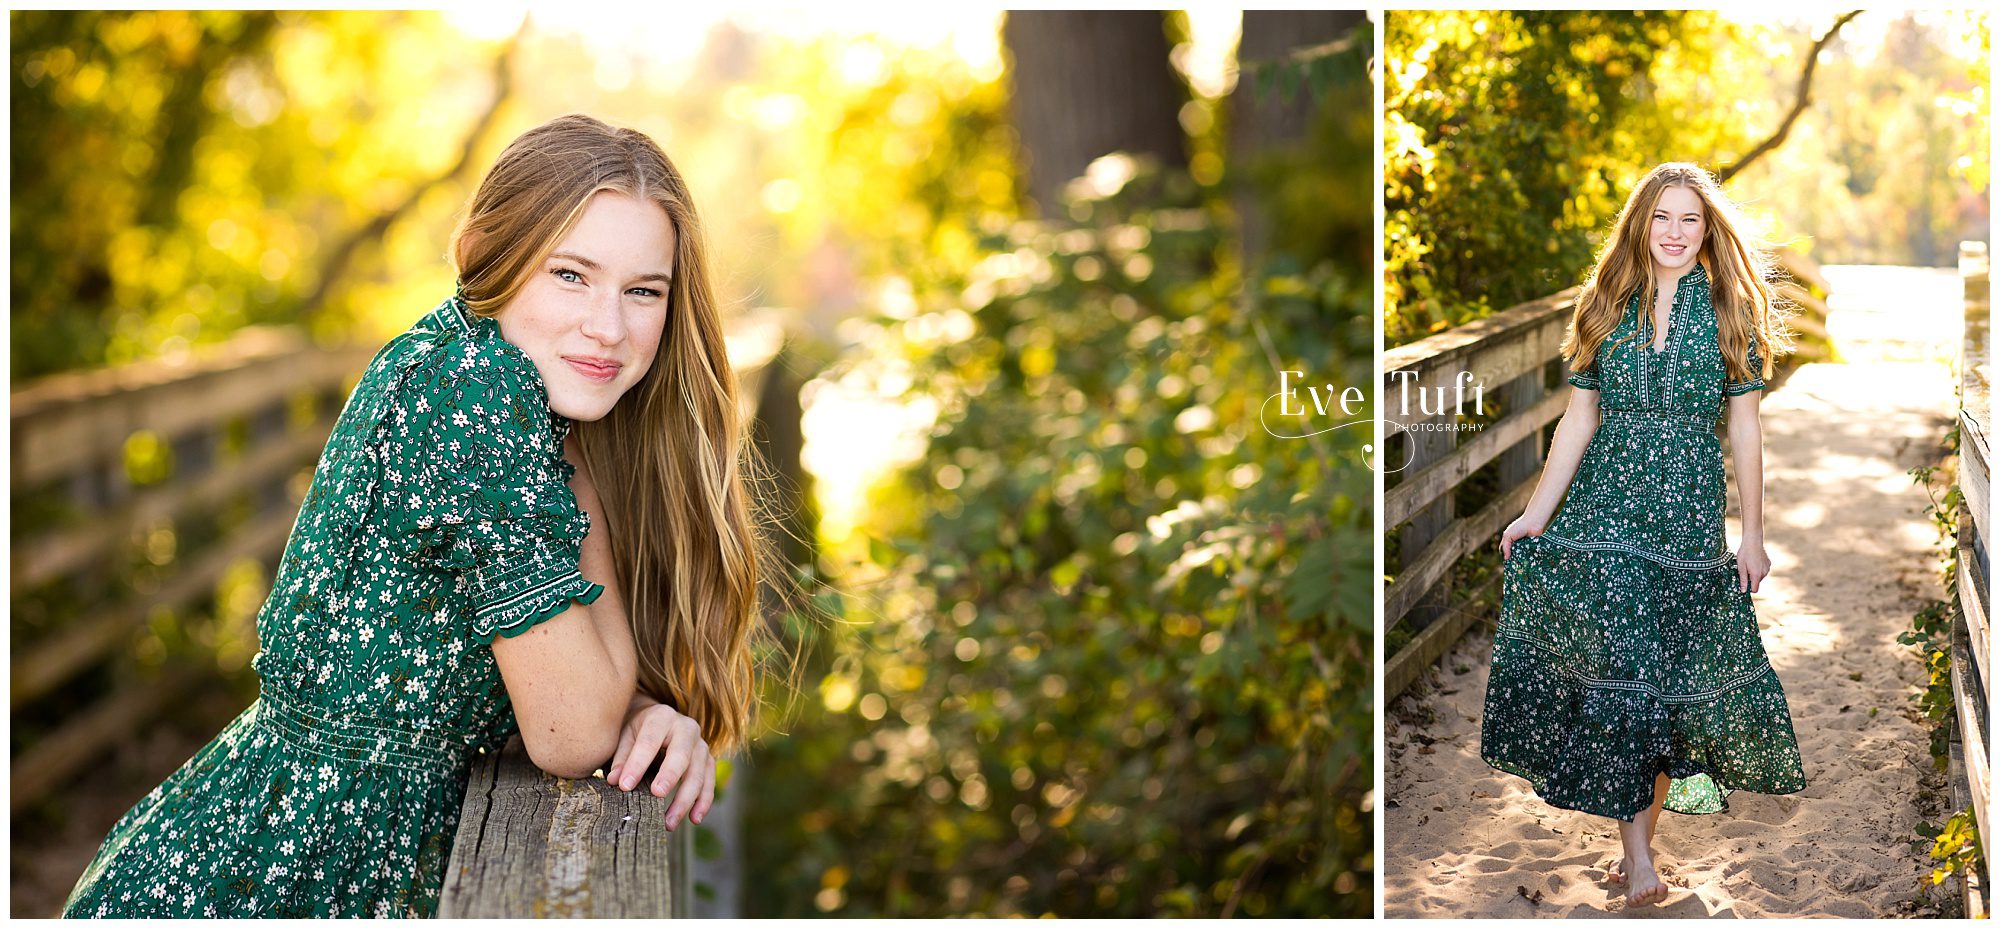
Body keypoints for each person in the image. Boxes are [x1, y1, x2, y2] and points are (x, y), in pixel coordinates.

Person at [62, 113, 768, 918]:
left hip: (272, 845)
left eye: (644, 291)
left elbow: (579, 684)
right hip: (277, 879)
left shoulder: (481, 375)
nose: (609, 327)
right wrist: (620, 706)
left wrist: (643, 711)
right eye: (570, 275)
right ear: (481, 256)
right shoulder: (472, 388)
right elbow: (572, 731)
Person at [1483, 162, 1808, 909]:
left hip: (1689, 518)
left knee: (1662, 687)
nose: (1673, 232)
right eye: (1661, 217)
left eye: (1689, 219)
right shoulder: (1607, 301)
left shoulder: (1731, 308)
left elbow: (1747, 429)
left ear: (1707, 229)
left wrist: (1752, 534)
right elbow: (1579, 418)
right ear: (1640, 223)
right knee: (1627, 671)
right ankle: (1639, 860)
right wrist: (1537, 512)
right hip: (1607, 513)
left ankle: (1639, 850)